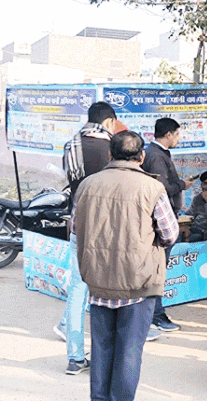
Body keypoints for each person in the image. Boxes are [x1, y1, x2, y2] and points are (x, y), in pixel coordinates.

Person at [72, 131, 179, 401]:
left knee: (101, 348)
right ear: (141, 157)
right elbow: (169, 234)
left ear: (110, 155)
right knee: (129, 352)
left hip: (98, 279)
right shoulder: (152, 188)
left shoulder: (88, 185)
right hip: (139, 281)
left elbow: (75, 226)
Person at [54, 102, 116, 375]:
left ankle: (75, 356)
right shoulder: (113, 149)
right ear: (110, 122)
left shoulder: (72, 145)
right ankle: (105, 358)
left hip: (79, 224)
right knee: (109, 292)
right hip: (108, 228)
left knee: (78, 289)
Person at [141, 117, 194, 333]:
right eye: (178, 134)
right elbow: (160, 189)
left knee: (158, 269)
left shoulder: (159, 154)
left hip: (165, 217)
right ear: (169, 134)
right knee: (158, 270)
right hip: (160, 220)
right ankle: (156, 315)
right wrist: (182, 184)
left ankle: (154, 313)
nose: (179, 138)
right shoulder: (155, 156)